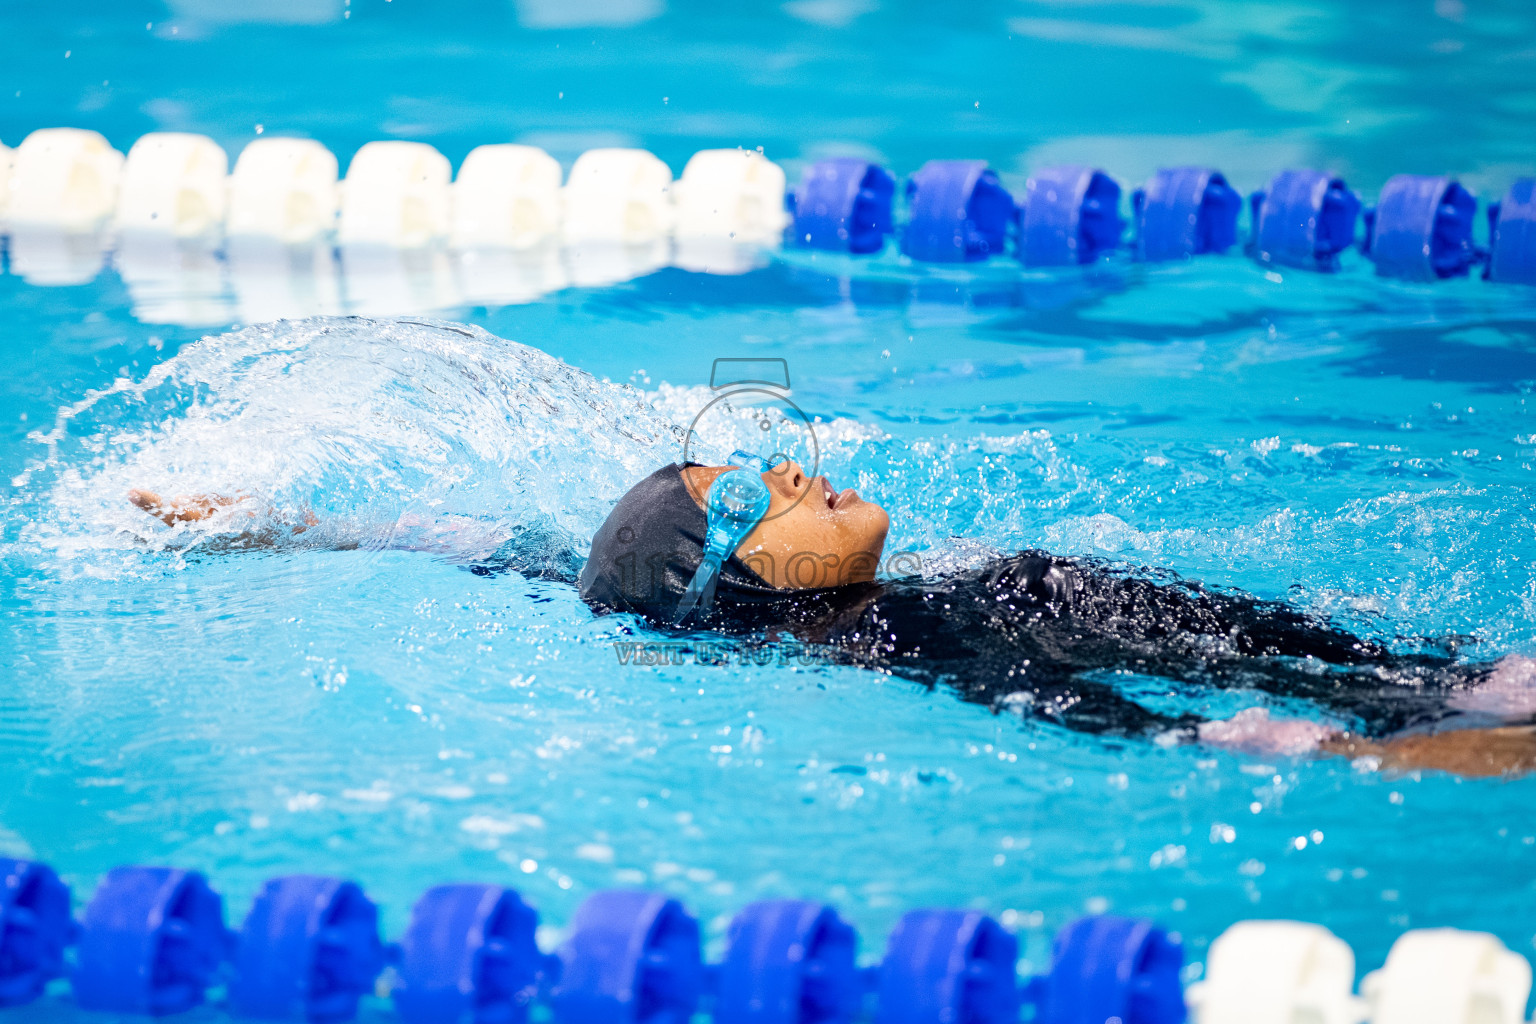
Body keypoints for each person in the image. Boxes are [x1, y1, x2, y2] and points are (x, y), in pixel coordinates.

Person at [129, 458, 1536, 777]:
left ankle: (1452, 678)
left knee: (1065, 582)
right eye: (754, 493)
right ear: (743, 580)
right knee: (1077, 609)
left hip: (1060, 603)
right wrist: (1351, 754)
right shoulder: (898, 639)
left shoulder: (641, 577)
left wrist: (283, 523)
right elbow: (1124, 724)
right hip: (1085, 655)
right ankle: (1437, 714)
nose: (790, 468)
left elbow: (499, 549)